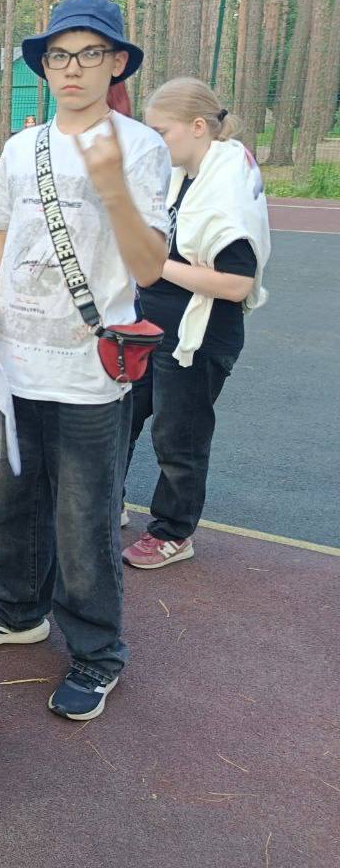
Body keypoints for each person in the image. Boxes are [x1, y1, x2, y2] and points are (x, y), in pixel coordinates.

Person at [0, 0, 170, 722]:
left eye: (89, 54)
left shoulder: (140, 148)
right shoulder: (23, 149)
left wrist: (111, 188)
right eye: (59, 55)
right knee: (16, 495)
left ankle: (97, 652)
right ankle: (18, 609)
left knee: (84, 517)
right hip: (14, 360)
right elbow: (0, 234)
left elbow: (149, 268)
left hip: (90, 368)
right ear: (43, 67)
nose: (72, 68)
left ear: (117, 63)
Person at [123, 78, 269, 569]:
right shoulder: (184, 175)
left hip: (198, 336)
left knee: (178, 436)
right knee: (121, 416)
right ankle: (106, 500)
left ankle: (173, 533)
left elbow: (237, 284)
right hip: (150, 325)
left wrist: (156, 264)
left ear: (199, 127)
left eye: (162, 131)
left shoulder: (224, 191)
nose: (155, 141)